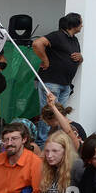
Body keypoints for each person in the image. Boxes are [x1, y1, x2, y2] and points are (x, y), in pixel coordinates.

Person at [32, 13, 83, 143]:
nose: (82, 25)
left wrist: (80, 58)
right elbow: (37, 44)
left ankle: (55, 141)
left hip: (65, 84)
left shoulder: (74, 40)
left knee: (60, 116)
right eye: (80, 23)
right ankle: (42, 142)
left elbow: (76, 57)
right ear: (74, 25)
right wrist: (45, 60)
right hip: (51, 82)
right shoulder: (57, 35)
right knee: (49, 114)